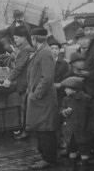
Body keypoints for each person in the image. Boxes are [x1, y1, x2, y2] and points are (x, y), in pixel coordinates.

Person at [26, 28, 58, 170]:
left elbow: (47, 77)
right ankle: (44, 155)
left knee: (46, 128)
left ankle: (48, 158)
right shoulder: (42, 51)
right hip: (40, 98)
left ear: (34, 38)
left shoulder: (44, 52)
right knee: (40, 127)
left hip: (43, 98)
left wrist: (36, 94)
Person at [3, 26, 34, 140]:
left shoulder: (26, 49)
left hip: (26, 82)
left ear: (24, 38)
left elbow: (20, 67)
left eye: (16, 38)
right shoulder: (20, 48)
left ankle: (26, 131)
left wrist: (9, 79)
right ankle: (24, 129)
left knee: (25, 107)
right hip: (22, 81)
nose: (15, 40)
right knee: (23, 107)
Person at [60, 76, 92, 171]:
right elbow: (61, 110)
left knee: (84, 150)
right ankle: (72, 167)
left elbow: (91, 114)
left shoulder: (86, 98)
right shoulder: (66, 99)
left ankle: (84, 167)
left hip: (83, 129)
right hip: (71, 130)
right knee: (72, 148)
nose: (65, 90)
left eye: (67, 88)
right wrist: (64, 112)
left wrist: (89, 127)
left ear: (74, 89)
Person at [49, 38, 70, 152]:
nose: (54, 51)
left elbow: (67, 78)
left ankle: (61, 140)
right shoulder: (46, 62)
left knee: (60, 118)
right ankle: (52, 141)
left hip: (60, 94)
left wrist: (60, 84)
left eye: (56, 48)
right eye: (52, 48)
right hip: (48, 94)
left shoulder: (64, 63)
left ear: (59, 50)